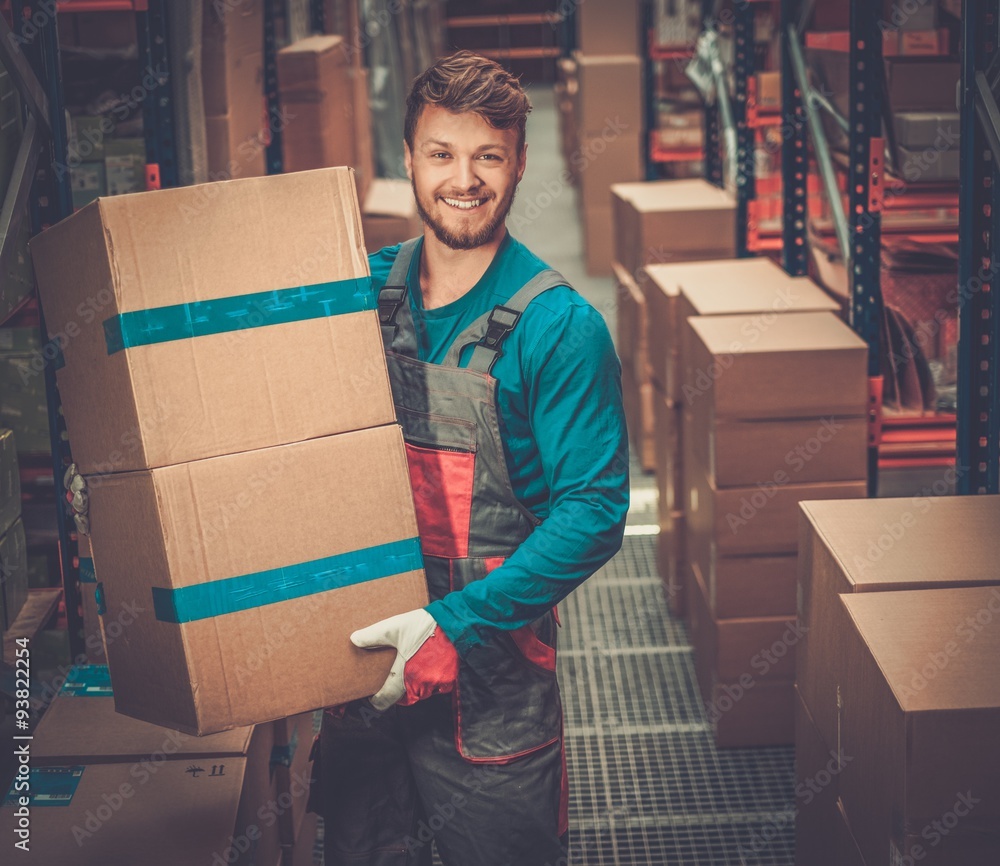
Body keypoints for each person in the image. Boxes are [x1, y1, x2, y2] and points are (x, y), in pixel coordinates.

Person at [313, 50, 629, 866]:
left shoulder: (560, 328)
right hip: (363, 669)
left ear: (521, 161)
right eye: (443, 154)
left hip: (489, 686)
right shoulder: (361, 296)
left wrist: (451, 622)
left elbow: (593, 513)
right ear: (409, 161)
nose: (466, 179)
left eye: (488, 155)